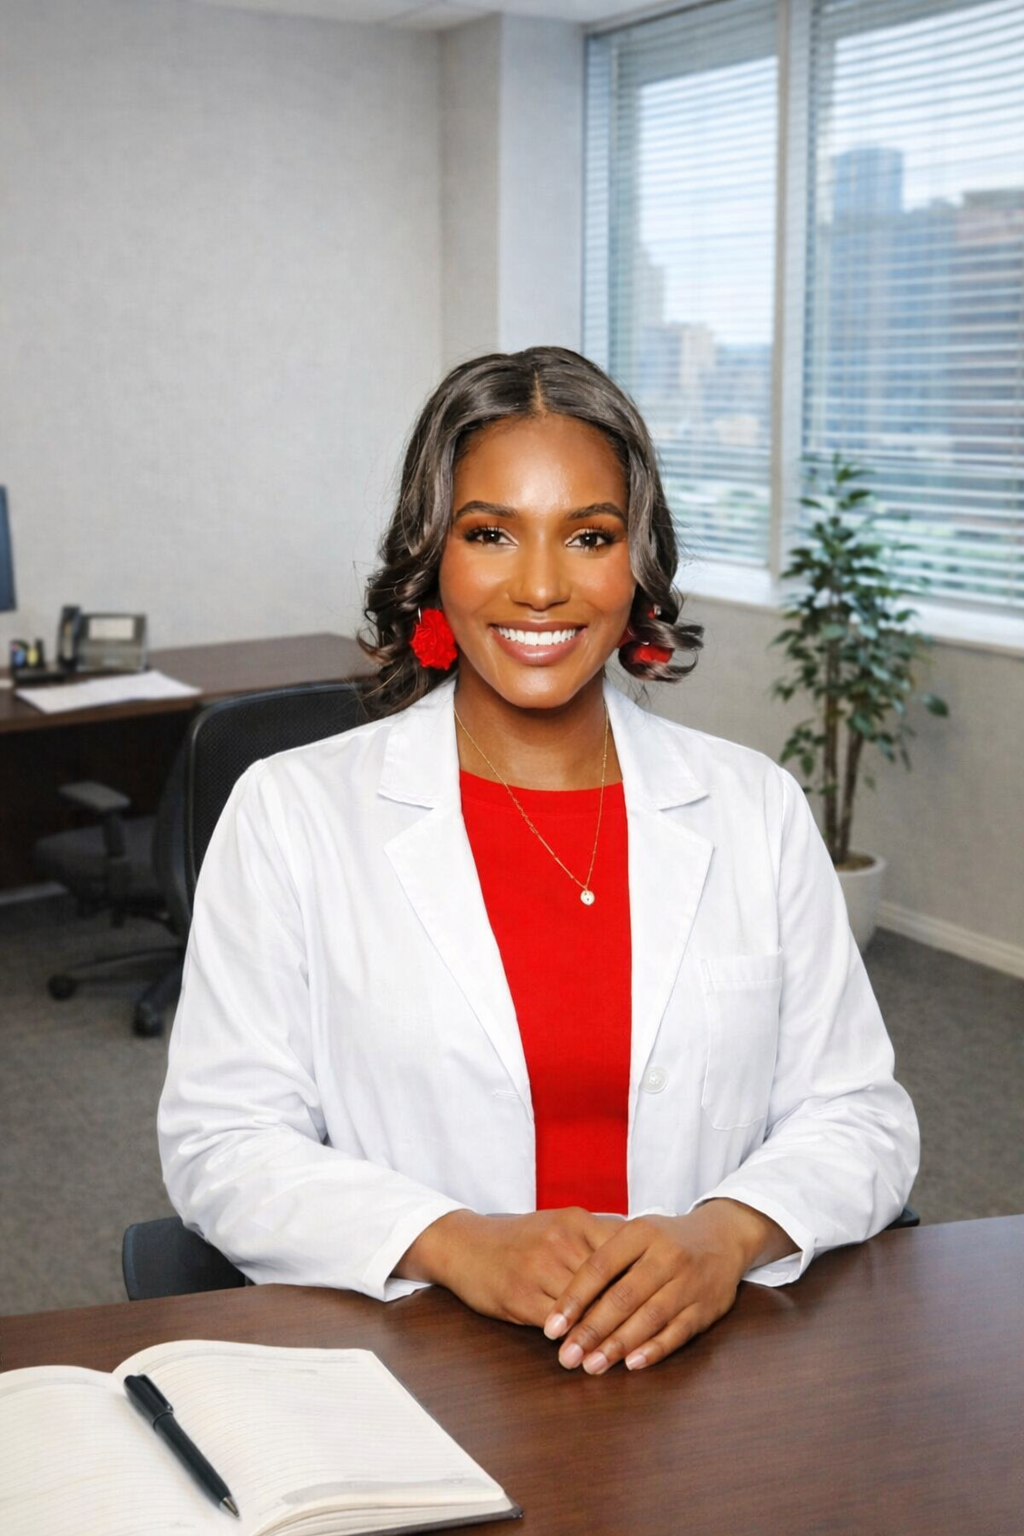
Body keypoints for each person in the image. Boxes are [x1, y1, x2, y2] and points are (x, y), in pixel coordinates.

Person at [158, 346, 918, 1377]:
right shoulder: (294, 812)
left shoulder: (754, 808)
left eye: (589, 535)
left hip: (705, 1371)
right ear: (433, 556)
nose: (544, 586)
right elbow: (222, 1142)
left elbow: (857, 1113)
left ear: (636, 561)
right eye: (490, 534)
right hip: (413, 1363)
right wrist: (453, 1241)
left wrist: (728, 1232)